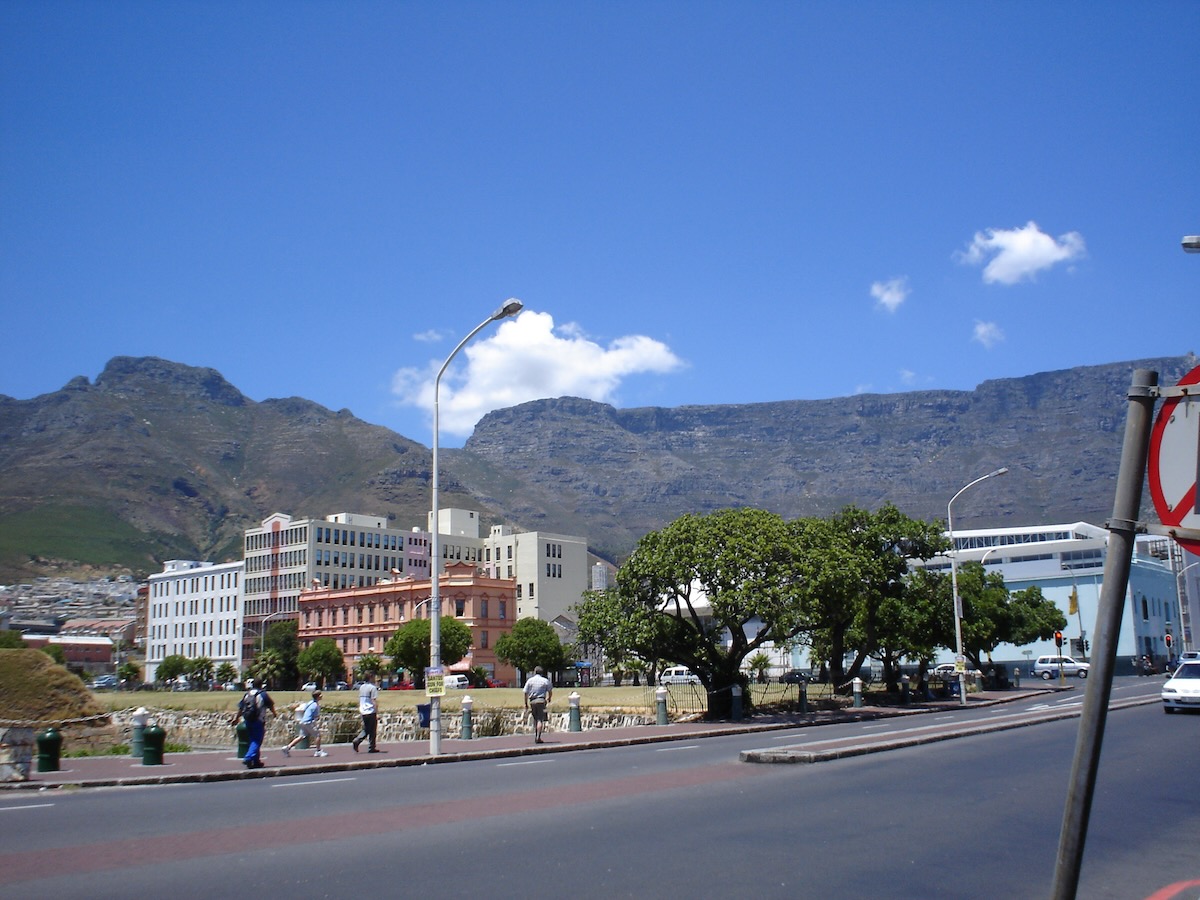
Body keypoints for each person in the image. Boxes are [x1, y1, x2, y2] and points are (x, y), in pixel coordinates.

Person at [229, 677, 276, 769]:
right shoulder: (263, 694)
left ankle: (256, 761)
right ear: (261, 685)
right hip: (258, 720)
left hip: (247, 720)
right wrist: (274, 713)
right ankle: (248, 757)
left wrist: (236, 718)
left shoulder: (247, 694)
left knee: (252, 740)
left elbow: (241, 708)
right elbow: (270, 705)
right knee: (257, 740)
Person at [282, 690, 327, 758]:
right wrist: (316, 718)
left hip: (303, 721)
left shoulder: (310, 702)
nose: (322, 696)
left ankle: (287, 747)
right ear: (318, 696)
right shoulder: (315, 705)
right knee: (317, 735)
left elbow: (305, 709)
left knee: (301, 736)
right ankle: (318, 751)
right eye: (320, 695)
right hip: (309, 722)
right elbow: (316, 716)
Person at [524, 666, 553, 744]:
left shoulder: (530, 681)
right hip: (541, 700)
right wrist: (549, 698)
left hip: (532, 701)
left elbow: (525, 692)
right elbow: (550, 691)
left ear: (534, 672)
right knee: (540, 719)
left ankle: (536, 735)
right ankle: (538, 737)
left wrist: (526, 703)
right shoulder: (545, 681)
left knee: (535, 719)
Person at [353, 672, 379, 752]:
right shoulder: (372, 688)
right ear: (370, 678)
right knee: (371, 730)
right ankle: (359, 741)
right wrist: (377, 711)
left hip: (363, 710)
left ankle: (371, 747)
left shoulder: (362, 687)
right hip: (370, 711)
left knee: (367, 728)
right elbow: (373, 700)